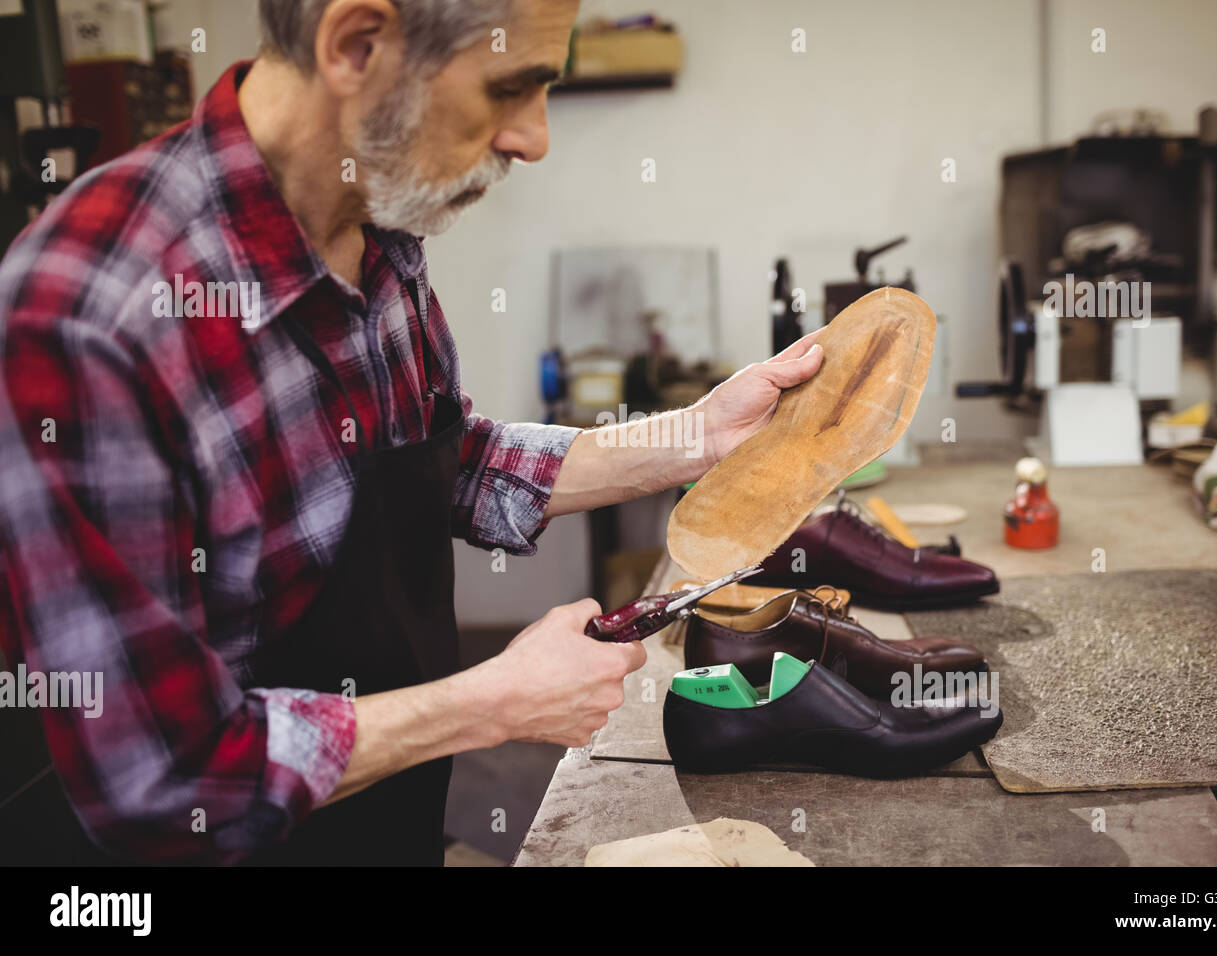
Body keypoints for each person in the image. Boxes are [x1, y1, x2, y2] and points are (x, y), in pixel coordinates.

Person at [0, 0, 824, 864]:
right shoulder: (90, 311)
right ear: (359, 45)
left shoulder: (378, 223)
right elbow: (162, 781)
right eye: (509, 89)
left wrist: (698, 437)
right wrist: (493, 702)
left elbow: (451, 463)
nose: (533, 139)